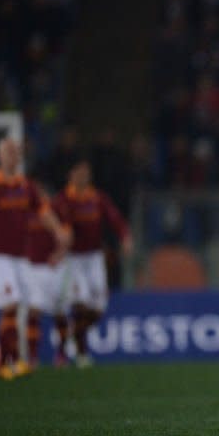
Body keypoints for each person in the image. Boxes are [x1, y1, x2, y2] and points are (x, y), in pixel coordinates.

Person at [0, 138, 69, 379]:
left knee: (29, 307)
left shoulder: (26, 186)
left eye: (15, 152)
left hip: (22, 259)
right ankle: (4, 362)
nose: (12, 155)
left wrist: (58, 232)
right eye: (7, 151)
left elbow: (44, 213)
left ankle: (18, 361)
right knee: (11, 305)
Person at [56, 158, 133, 368]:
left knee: (98, 308)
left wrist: (125, 237)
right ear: (70, 175)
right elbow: (57, 226)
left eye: (86, 172)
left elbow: (115, 219)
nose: (83, 176)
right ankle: (81, 353)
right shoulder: (63, 200)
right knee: (80, 302)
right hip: (73, 259)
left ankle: (69, 340)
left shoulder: (97, 198)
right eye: (79, 172)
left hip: (94, 257)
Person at [23, 180, 74, 366]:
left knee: (59, 312)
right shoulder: (25, 212)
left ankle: (61, 353)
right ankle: (32, 356)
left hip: (55, 267)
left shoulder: (57, 209)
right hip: (33, 268)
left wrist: (59, 254)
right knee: (34, 310)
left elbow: (68, 236)